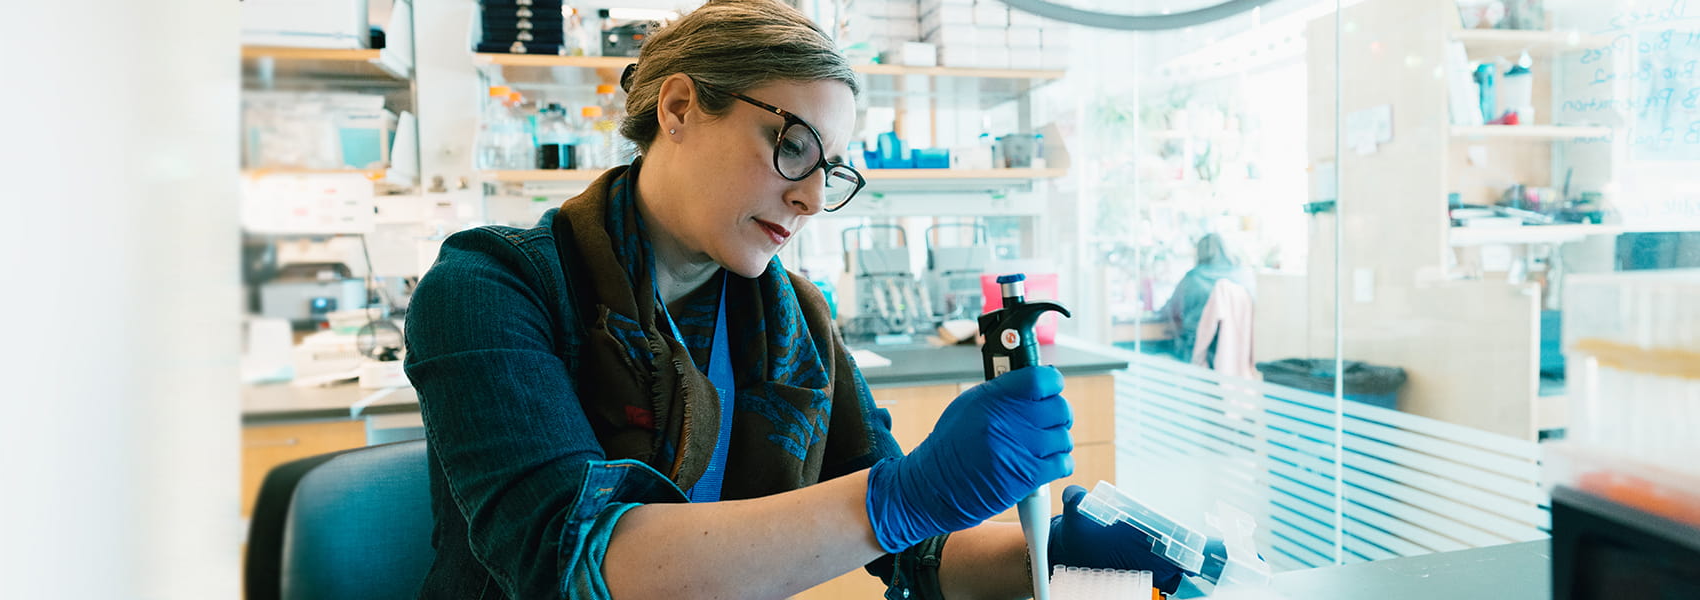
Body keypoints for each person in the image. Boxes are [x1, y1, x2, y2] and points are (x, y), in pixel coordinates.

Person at [404, 1, 1181, 597]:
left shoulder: (794, 320)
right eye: (793, 145)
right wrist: (904, 498)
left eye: (832, 168)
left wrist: (1042, 555)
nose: (811, 197)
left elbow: (911, 546)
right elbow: (574, 567)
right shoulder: (491, 290)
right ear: (677, 109)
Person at [1157, 233, 1256, 366]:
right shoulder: (1245, 274)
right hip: (1238, 348)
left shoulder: (1193, 277)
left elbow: (1169, 311)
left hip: (1196, 348)